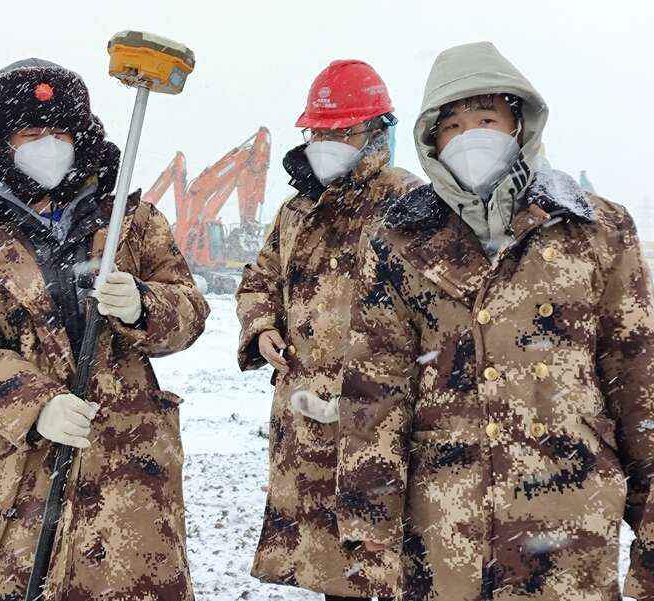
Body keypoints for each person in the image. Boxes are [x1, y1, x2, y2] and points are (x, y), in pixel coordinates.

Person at [336, 41, 654, 601]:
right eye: (453, 126)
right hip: (445, 529)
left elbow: (637, 382)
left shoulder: (596, 229)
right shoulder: (397, 239)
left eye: (486, 119)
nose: (470, 136)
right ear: (432, 141)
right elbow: (375, 392)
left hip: (570, 524)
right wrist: (369, 533)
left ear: (519, 124)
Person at [0, 58, 209, 600]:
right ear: (3, 141)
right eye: (31, 133)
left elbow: (190, 312)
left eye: (60, 132)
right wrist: (36, 404)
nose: (49, 145)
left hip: (128, 465)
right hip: (24, 474)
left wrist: (145, 306)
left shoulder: (130, 220)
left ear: (81, 136)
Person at [236, 59, 422, 600]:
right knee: (332, 568)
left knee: (388, 561)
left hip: (378, 418)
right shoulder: (297, 210)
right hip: (303, 418)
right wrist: (262, 326)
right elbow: (259, 279)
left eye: (342, 132)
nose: (326, 144)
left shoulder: (409, 204)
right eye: (318, 133)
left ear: (376, 133)